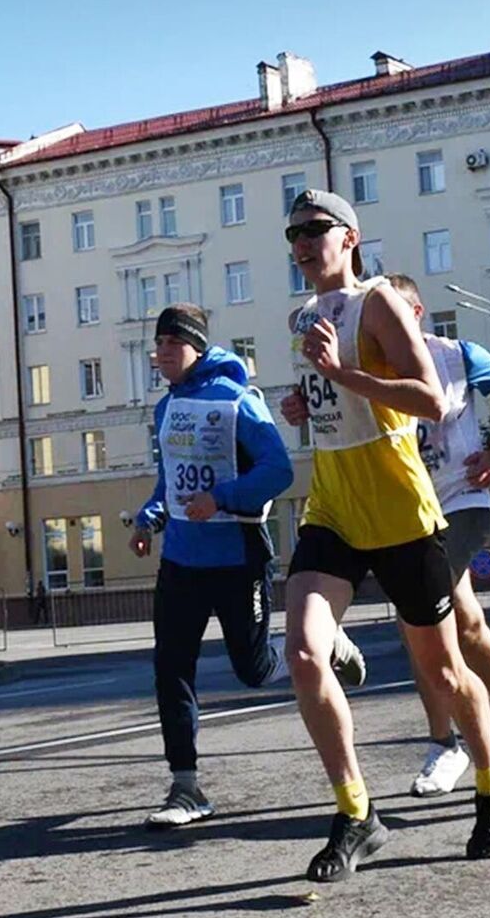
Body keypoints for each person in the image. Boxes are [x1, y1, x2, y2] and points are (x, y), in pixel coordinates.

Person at [277, 190, 490, 883]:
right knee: (300, 652)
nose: (300, 243)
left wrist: (339, 374)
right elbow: (337, 406)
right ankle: (356, 811)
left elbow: (429, 398)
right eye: (292, 234)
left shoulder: (376, 303)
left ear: (349, 237)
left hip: (402, 513)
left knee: (444, 673)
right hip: (333, 510)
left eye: (314, 230)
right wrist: (306, 402)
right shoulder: (305, 316)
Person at [133, 303, 363, 829]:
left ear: (194, 345)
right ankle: (186, 788)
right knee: (171, 669)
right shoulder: (166, 409)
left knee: (253, 669)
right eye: (157, 344)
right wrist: (149, 519)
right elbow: (167, 480)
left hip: (237, 557)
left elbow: (278, 470)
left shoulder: (238, 401)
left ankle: (326, 644)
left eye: (170, 343)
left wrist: (223, 497)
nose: (160, 353)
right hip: (181, 562)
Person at [382, 273, 490, 798]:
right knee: (468, 623)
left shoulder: (457, 354)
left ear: (417, 314)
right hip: (410, 508)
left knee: (421, 619)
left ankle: (445, 743)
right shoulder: (371, 363)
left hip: (462, 500)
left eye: (394, 312)